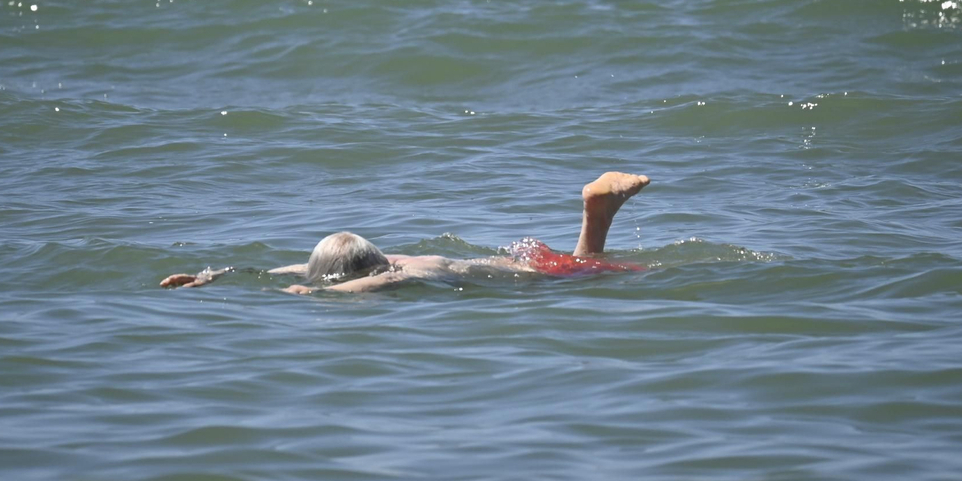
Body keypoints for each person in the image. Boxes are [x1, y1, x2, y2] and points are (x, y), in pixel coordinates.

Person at [160, 171, 651, 294]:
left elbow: (374, 284)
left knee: (587, 275)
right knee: (583, 268)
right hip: (511, 258)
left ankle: (597, 209)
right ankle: (599, 207)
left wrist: (317, 297)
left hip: (529, 271)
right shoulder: (388, 259)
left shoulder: (397, 276)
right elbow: (284, 269)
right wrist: (213, 276)